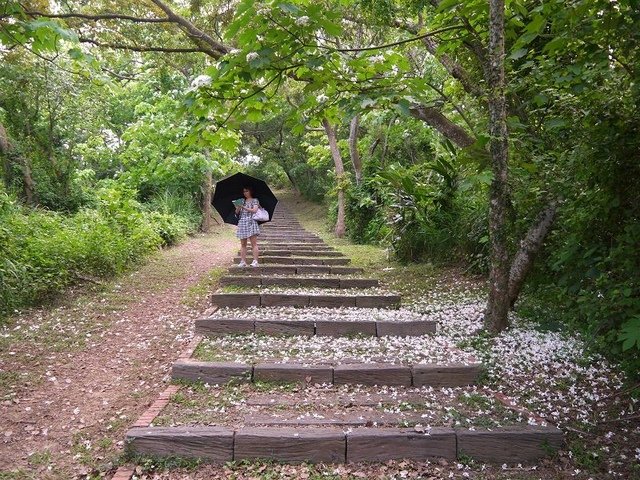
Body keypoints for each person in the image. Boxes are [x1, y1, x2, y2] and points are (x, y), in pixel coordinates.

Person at [235, 186, 261, 267]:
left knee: (253, 243)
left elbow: (254, 210)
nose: (245, 193)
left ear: (250, 191)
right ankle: (243, 261)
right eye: (244, 191)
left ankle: (255, 261)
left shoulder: (255, 200)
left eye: (246, 191)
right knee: (243, 244)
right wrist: (238, 207)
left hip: (251, 222)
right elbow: (236, 213)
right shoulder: (242, 201)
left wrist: (243, 207)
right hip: (242, 222)